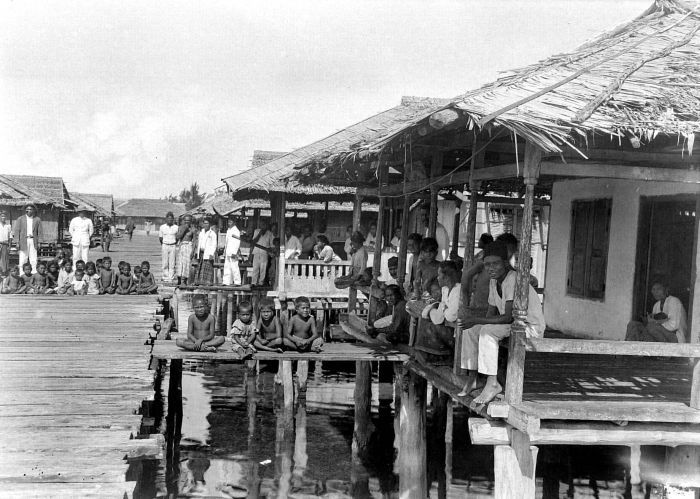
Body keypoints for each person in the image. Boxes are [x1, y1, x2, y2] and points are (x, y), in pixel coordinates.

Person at [458, 242, 545, 404]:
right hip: (513, 325)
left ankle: (492, 383)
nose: (491, 268)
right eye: (487, 265)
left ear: (505, 263)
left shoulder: (513, 280)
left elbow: (507, 317)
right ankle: (473, 378)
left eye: (495, 264)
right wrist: (476, 323)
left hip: (528, 327)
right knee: (471, 330)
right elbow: (490, 313)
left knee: (487, 331)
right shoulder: (494, 281)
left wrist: (476, 320)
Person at [14, 204, 42, 272]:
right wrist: (17, 242)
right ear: (25, 210)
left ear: (33, 210)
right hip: (23, 240)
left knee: (33, 258)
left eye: (30, 209)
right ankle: (22, 274)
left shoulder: (37, 219)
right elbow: (17, 231)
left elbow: (40, 232)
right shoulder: (20, 219)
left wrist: (39, 242)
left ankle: (33, 273)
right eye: (27, 209)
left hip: (33, 240)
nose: (29, 210)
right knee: (23, 258)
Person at [194, 218, 218, 286]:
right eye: (204, 223)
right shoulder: (201, 233)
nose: (205, 225)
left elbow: (214, 244)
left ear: (210, 224)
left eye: (207, 223)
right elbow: (199, 243)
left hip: (208, 253)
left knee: (207, 268)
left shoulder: (212, 234)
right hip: (201, 252)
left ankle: (207, 283)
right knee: (200, 267)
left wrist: (211, 254)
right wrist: (197, 252)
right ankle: (198, 282)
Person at [175, 215, 197, 286]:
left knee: (187, 264)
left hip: (189, 247)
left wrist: (193, 251)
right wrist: (184, 229)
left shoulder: (193, 229)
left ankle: (184, 280)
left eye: (188, 221)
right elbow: (178, 237)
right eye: (186, 220)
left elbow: (194, 242)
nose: (187, 222)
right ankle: (179, 279)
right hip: (182, 246)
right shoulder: (181, 228)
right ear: (183, 221)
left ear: (191, 221)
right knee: (180, 263)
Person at [250, 220, 273, 285]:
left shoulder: (269, 233)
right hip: (257, 252)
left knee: (263, 269)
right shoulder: (256, 231)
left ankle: (261, 283)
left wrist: (269, 251)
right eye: (262, 225)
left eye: (264, 225)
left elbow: (271, 245)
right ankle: (254, 283)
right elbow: (253, 242)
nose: (263, 226)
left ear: (267, 226)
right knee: (255, 268)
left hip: (264, 253)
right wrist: (259, 234)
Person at [158, 212, 178, 284]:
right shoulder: (162, 227)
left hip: (173, 245)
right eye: (168, 219)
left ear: (173, 219)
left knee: (172, 262)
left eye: (171, 219)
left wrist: (174, 243)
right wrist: (164, 244)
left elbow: (177, 237)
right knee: (165, 262)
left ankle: (171, 277)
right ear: (166, 219)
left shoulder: (176, 227)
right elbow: (160, 238)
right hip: (165, 245)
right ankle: (165, 277)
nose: (170, 220)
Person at [222, 217, 242, 286]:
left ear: (234, 222)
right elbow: (226, 242)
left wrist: (235, 252)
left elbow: (237, 242)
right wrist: (225, 251)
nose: (229, 223)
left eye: (230, 222)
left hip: (233, 251)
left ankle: (237, 282)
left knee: (234, 266)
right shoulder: (229, 230)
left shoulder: (236, 231)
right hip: (228, 250)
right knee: (227, 266)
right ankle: (226, 281)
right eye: (228, 222)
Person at [0, 211, 12, 276]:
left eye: (4, 216)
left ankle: (4, 272)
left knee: (4, 258)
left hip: (5, 244)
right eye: (2, 216)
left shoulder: (8, 226)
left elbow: (10, 236)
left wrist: (9, 245)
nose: (3, 217)